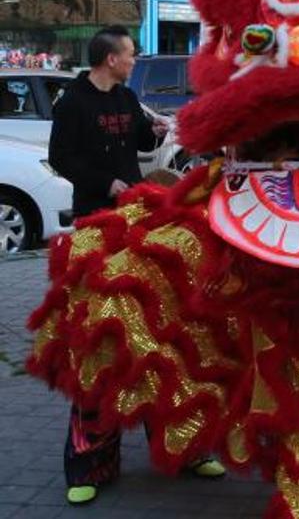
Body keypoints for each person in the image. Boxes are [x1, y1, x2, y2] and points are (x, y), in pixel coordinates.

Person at [47, 26, 224, 505]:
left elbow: (143, 140)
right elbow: (59, 156)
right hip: (93, 227)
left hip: (138, 222)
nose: (134, 60)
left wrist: (164, 128)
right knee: (100, 342)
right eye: (130, 54)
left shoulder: (126, 98)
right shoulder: (74, 102)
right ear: (109, 58)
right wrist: (105, 183)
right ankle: (90, 461)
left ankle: (184, 445)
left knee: (164, 334)